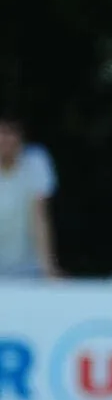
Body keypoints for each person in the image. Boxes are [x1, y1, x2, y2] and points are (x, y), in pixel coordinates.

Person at [0, 113, 60, 278]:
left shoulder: (36, 161)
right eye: (1, 133)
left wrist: (48, 270)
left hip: (30, 271)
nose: (4, 139)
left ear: (20, 136)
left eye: (10, 132)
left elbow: (39, 216)